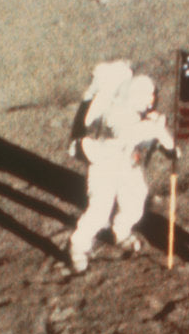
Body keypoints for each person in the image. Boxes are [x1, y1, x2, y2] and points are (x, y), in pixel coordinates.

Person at [67, 62, 176, 273]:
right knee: (99, 210)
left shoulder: (143, 117)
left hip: (127, 164)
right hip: (105, 165)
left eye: (153, 95)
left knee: (135, 202)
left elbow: (157, 139)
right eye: (148, 96)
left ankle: (121, 231)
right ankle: (78, 247)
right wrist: (159, 132)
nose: (152, 101)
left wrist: (167, 143)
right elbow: (135, 134)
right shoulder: (116, 114)